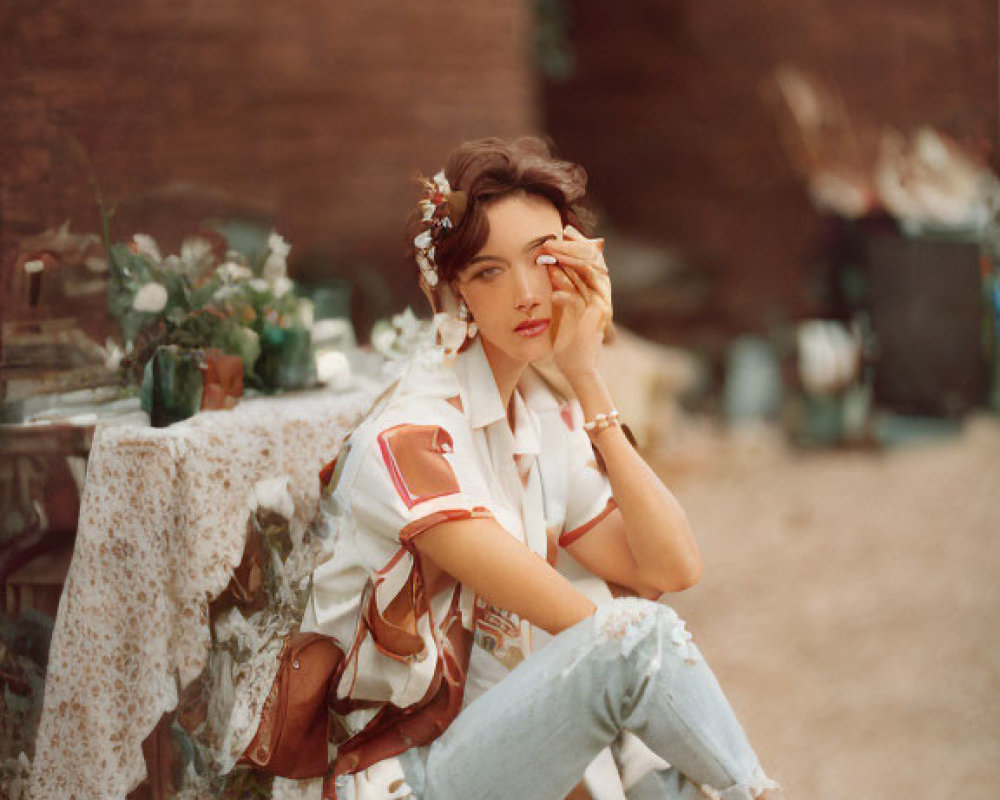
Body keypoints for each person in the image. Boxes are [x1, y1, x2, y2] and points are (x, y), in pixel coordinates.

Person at [300, 136, 783, 800]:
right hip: (396, 779)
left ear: (579, 266)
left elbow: (671, 567)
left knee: (627, 633)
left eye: (544, 258)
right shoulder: (410, 437)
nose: (528, 294)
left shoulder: (538, 417)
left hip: (488, 746)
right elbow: (601, 634)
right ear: (454, 291)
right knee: (624, 631)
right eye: (489, 271)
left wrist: (587, 376)